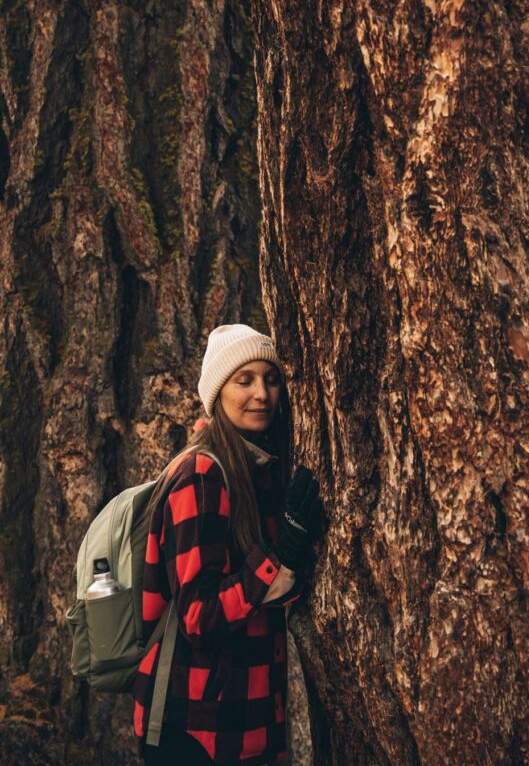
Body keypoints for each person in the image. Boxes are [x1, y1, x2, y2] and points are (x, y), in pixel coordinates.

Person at [131, 323, 323, 766]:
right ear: (218, 393)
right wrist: (283, 553)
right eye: (245, 380)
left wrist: (288, 555)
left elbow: (272, 593)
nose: (262, 393)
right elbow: (200, 616)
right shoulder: (201, 475)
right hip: (195, 729)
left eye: (271, 379)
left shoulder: (258, 472)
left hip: (249, 723)